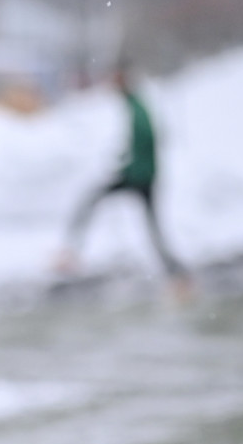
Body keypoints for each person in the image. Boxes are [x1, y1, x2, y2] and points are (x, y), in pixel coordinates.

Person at [63, 68, 190, 284]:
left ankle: (70, 252)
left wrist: (129, 163)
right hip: (142, 174)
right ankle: (176, 274)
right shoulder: (135, 105)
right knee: (153, 228)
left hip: (139, 176)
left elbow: (145, 138)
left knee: (93, 200)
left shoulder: (136, 107)